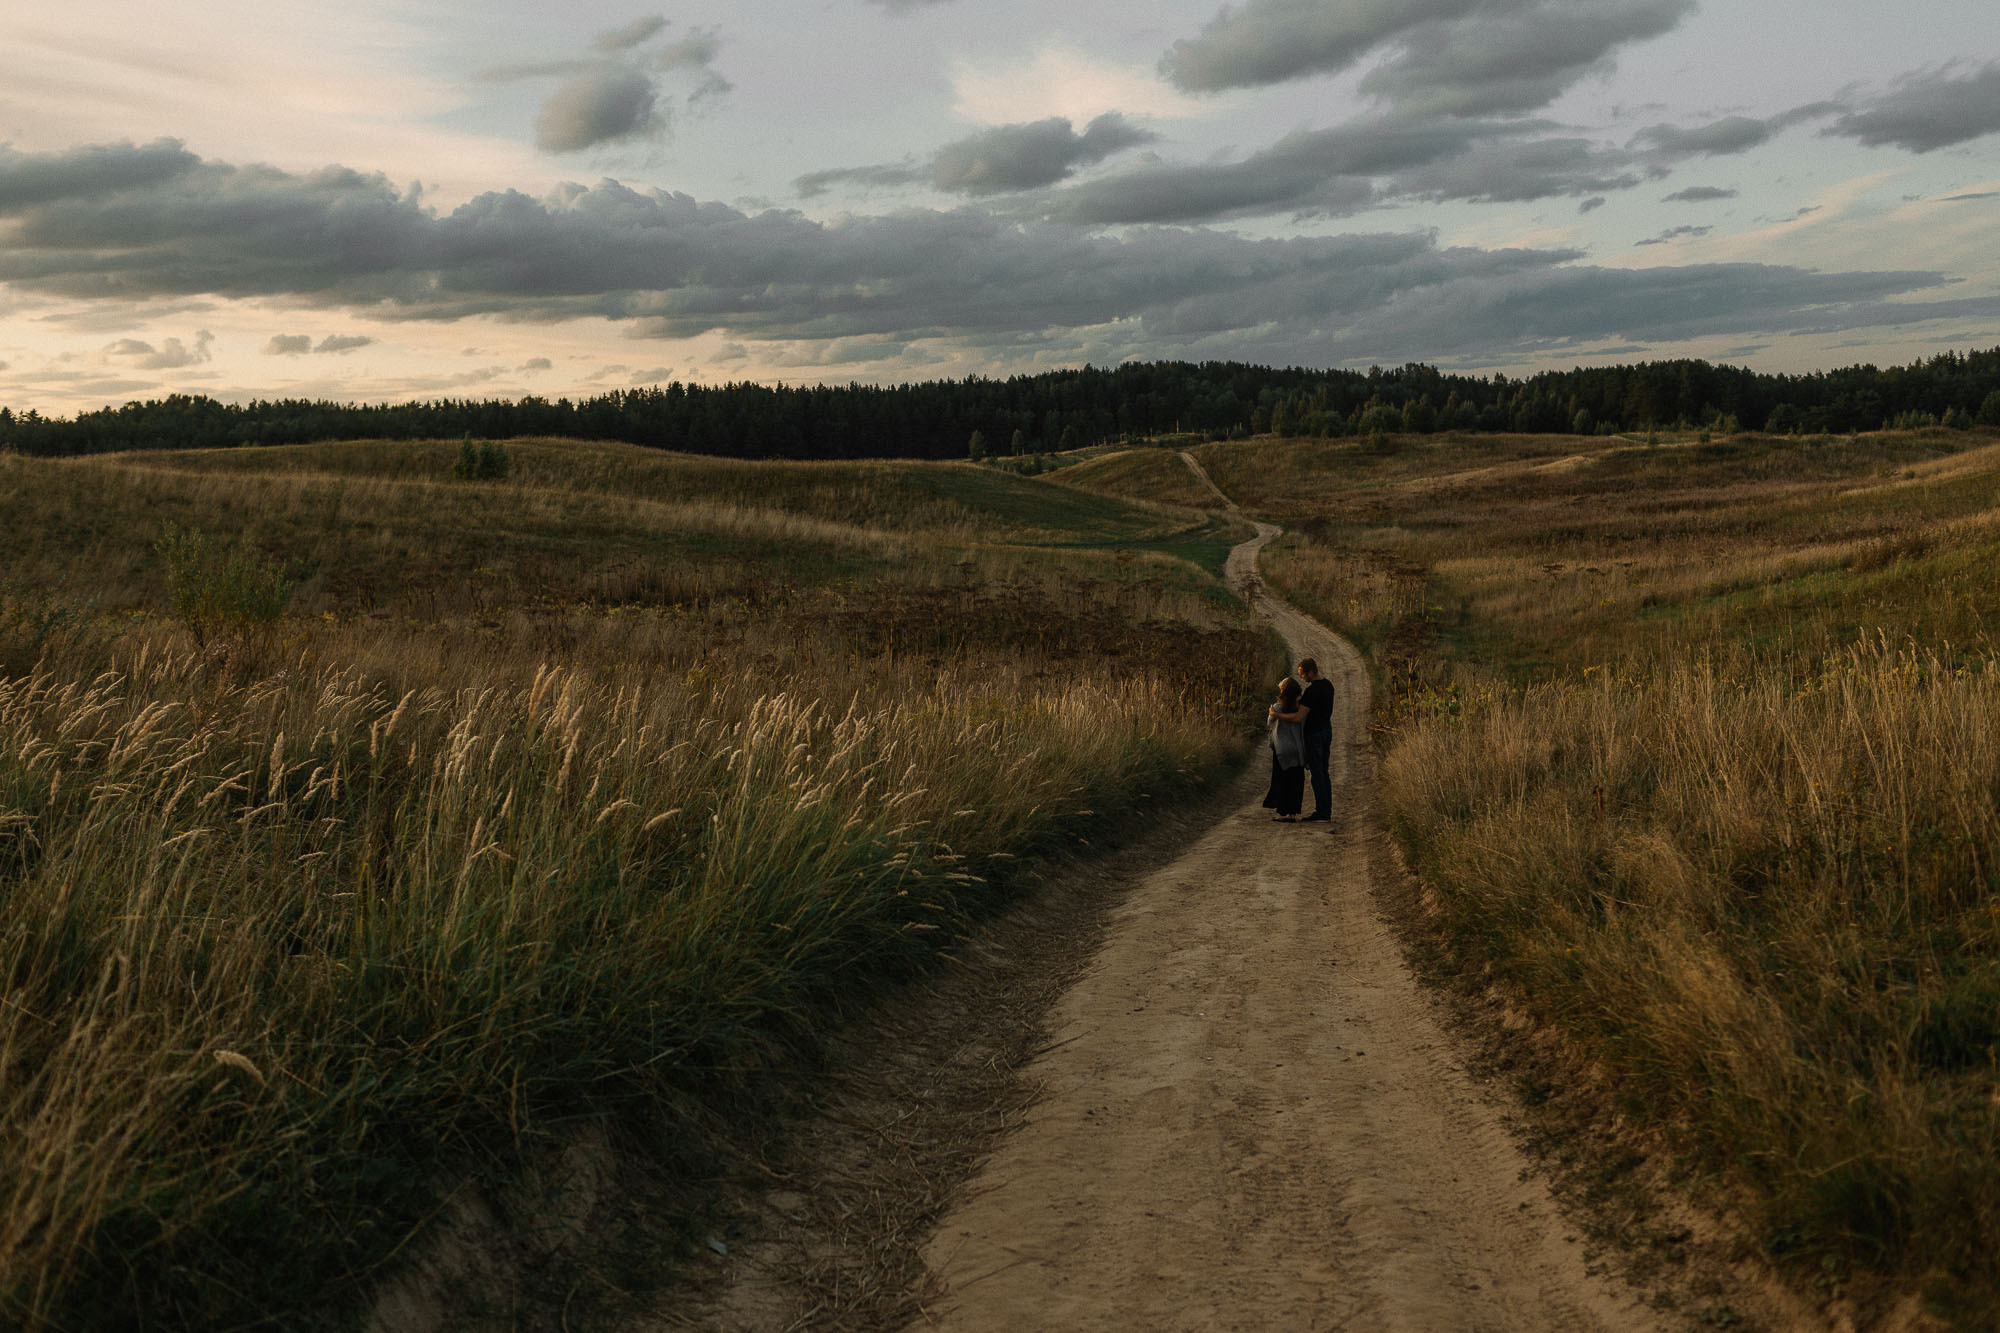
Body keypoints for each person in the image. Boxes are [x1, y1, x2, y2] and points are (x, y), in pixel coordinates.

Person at [1296, 657, 1335, 822]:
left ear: (1311, 672)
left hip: (1315, 734)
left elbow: (1299, 716)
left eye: (1303, 674)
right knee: (1324, 772)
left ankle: (1322, 812)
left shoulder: (1311, 692)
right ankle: (1326, 809)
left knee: (1317, 774)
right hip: (1327, 731)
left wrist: (1277, 715)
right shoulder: (1328, 685)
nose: (1302, 678)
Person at [1263, 676, 1306, 821]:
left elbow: (1269, 722)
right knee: (1296, 780)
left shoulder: (1276, 707)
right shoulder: (1300, 708)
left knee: (1282, 779)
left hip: (1282, 748)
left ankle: (1283, 812)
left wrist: (1274, 714)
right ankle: (1293, 813)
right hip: (1297, 747)